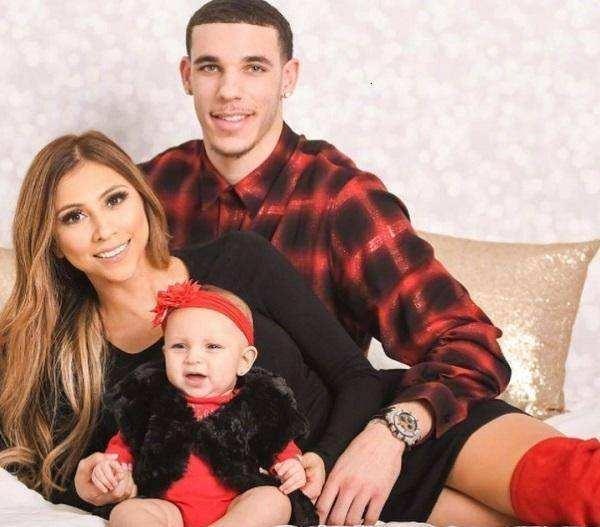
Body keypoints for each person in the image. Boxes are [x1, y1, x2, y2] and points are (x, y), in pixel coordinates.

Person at [140, 1, 600, 525]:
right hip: (259, 473)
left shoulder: (340, 197)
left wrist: (388, 435)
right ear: (186, 75)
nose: (229, 91)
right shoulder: (142, 196)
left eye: (254, 67)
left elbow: (468, 343)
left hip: (360, 432)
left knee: (573, 485)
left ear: (288, 77)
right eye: (210, 67)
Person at [0, 130, 383, 527]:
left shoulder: (240, 260)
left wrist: (328, 456)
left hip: (363, 463)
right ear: (53, 241)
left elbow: (357, 376)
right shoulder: (58, 352)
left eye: (115, 200)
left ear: (143, 199)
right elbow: (39, 469)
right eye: (74, 217)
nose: (104, 230)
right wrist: (87, 486)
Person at [78, 280, 318, 527]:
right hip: (168, 508)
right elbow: (121, 450)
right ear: (165, 353)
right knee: (126, 512)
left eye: (212, 346)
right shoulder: (149, 405)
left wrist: (291, 467)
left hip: (236, 505)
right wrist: (110, 471)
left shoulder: (256, 408)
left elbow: (281, 449)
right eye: (179, 346)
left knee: (273, 500)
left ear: (244, 361)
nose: (193, 358)